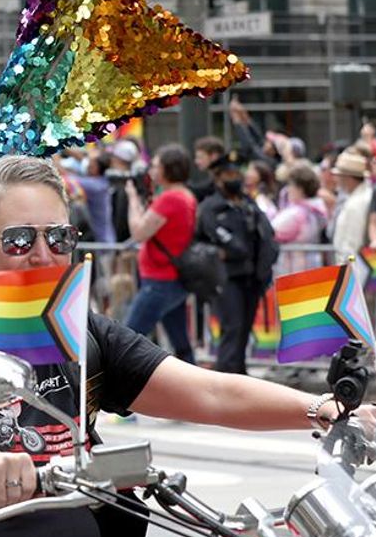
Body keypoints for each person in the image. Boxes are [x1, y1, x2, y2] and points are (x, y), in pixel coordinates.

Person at [0, 155, 376, 537]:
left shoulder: (84, 331)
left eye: (58, 238)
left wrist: (321, 409)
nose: (42, 254)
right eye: (18, 239)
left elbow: (208, 392)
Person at [196, 152, 279, 374]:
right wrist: (226, 251)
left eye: (236, 173)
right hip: (226, 276)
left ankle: (239, 373)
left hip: (252, 276)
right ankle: (227, 375)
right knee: (232, 327)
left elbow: (266, 233)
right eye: (228, 174)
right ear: (217, 178)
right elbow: (211, 238)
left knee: (244, 328)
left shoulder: (247, 203)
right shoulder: (210, 207)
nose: (234, 178)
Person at [123, 144, 197, 364]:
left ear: (167, 169)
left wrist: (132, 198)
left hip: (160, 280)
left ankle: (115, 389)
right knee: (181, 342)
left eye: (155, 166)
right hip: (171, 278)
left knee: (127, 337)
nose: (151, 171)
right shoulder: (185, 196)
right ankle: (194, 387)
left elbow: (138, 233)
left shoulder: (171, 198)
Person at [272, 163, 327, 275]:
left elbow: (271, 231)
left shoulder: (296, 213)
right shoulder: (317, 208)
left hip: (294, 269)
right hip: (312, 265)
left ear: (300, 189)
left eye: (291, 185)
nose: (288, 189)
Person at [331, 148, 371, 263]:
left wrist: (348, 269)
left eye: (339, 175)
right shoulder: (359, 198)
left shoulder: (357, 203)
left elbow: (353, 246)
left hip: (354, 270)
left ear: (347, 177)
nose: (336, 179)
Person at [190, 135, 225, 202]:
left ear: (214, 156)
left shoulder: (225, 177)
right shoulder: (216, 176)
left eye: (200, 157)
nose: (196, 161)